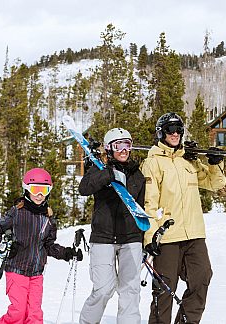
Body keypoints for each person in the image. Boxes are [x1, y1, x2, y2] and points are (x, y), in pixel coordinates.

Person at [141, 112, 226, 324]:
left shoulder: (188, 161)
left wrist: (215, 164)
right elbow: (148, 204)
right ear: (161, 132)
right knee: (164, 288)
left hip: (194, 234)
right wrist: (150, 237)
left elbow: (216, 184)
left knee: (202, 277)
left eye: (179, 129)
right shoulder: (153, 163)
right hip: (167, 236)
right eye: (170, 129)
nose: (175, 133)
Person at [0, 167, 83, 324]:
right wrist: (0, 247)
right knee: (18, 312)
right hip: (16, 269)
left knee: (35, 314)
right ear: (27, 189)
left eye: (44, 190)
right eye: (35, 189)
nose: (40, 194)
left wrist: (67, 252)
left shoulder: (48, 218)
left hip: (36, 273)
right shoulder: (17, 212)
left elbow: (49, 245)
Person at [79, 128, 146, 324]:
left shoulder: (137, 175)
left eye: (127, 145)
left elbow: (141, 208)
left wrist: (144, 241)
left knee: (130, 290)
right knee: (103, 288)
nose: (124, 150)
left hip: (131, 238)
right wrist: (107, 175)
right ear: (109, 149)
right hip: (103, 238)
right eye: (119, 145)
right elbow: (84, 188)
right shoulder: (100, 170)